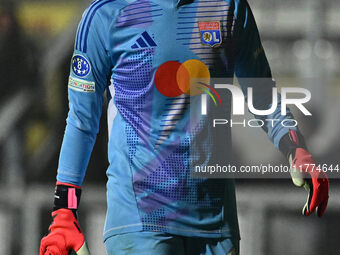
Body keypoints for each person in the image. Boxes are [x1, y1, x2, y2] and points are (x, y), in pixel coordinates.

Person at [40, 0, 329, 254]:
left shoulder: (228, 6)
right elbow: (81, 121)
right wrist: (64, 210)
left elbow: (262, 94)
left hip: (217, 223)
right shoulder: (106, 14)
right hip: (141, 223)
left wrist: (296, 148)